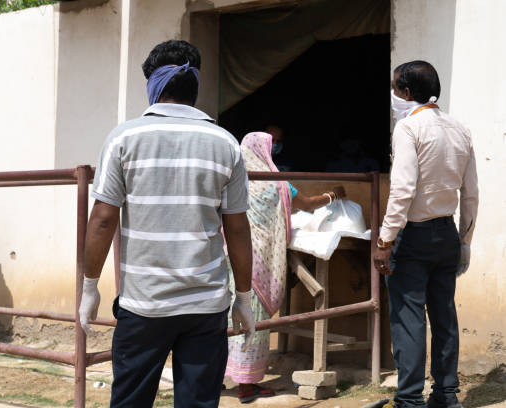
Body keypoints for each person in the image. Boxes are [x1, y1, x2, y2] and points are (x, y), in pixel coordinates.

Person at [77, 40, 255, 408]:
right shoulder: (225, 143)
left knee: (130, 402)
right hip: (206, 305)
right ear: (195, 87)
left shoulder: (124, 138)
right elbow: (237, 228)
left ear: (153, 87)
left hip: (144, 304)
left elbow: (103, 220)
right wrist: (243, 296)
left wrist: (89, 286)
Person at [374, 61, 478, 408]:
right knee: (444, 315)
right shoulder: (459, 128)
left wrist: (385, 240)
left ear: (406, 92)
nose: (393, 95)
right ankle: (447, 395)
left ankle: (410, 400)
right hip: (447, 234)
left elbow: (402, 190)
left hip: (414, 237)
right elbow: (472, 191)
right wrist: (465, 240)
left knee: (409, 319)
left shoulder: (408, 127)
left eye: (394, 89)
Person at [224, 131, 345, 403]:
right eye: (272, 144)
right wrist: (332, 195)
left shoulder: (233, 179)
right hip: (259, 262)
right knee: (254, 318)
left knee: (228, 317)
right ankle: (246, 385)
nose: (276, 147)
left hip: (232, 256)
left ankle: (222, 376)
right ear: (264, 151)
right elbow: (307, 204)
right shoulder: (277, 184)